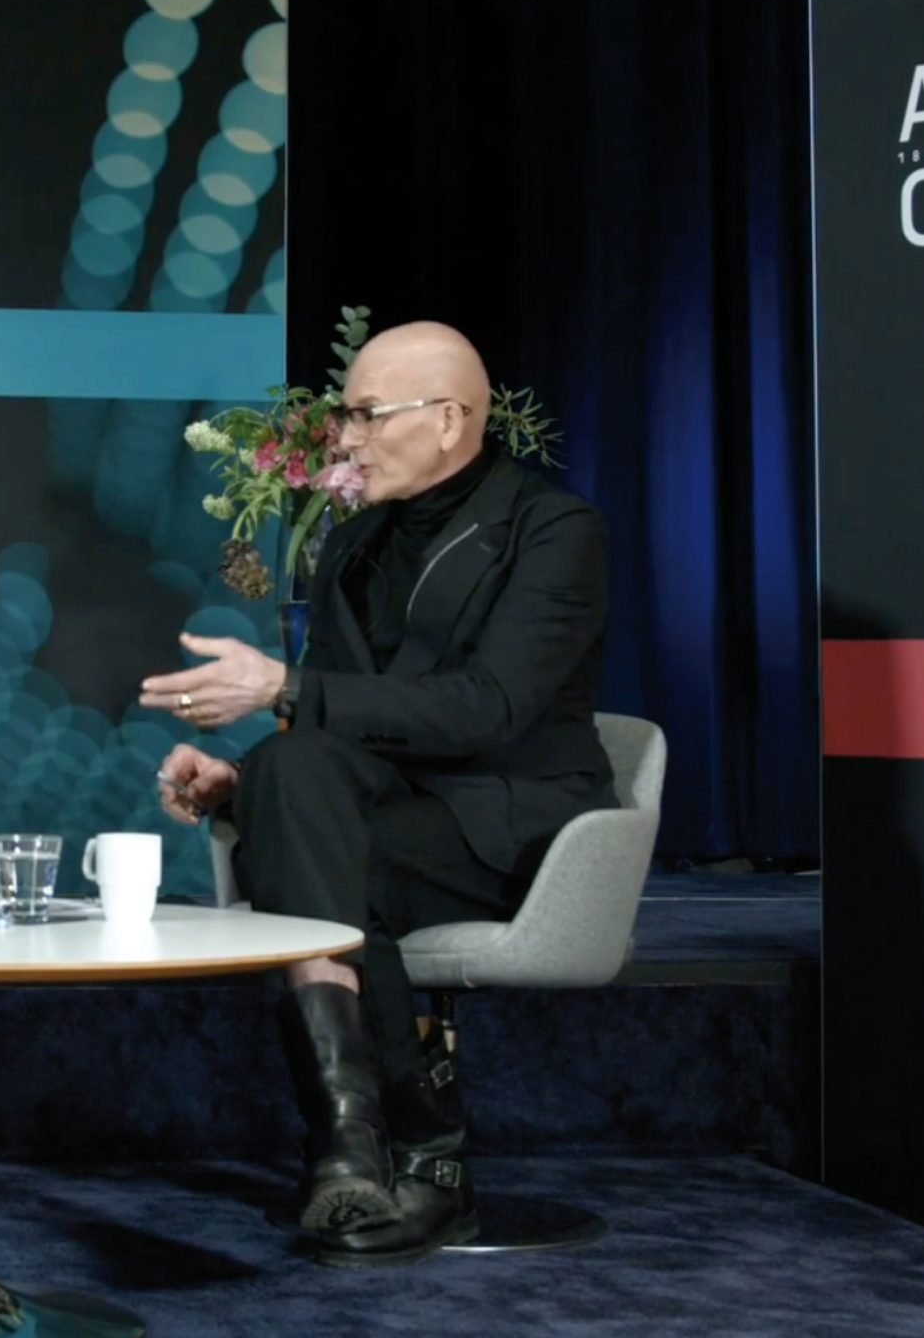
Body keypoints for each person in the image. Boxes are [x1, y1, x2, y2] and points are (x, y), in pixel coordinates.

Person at [138, 321, 613, 1266]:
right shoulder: (354, 544)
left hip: (511, 821)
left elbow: (489, 708)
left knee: (317, 859)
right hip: (393, 812)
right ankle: (371, 1150)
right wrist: (243, 781)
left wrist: (282, 688)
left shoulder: (554, 532)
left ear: (449, 420)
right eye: (344, 417)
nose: (346, 440)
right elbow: (336, 734)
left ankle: (393, 1148)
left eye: (366, 416)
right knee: (286, 777)